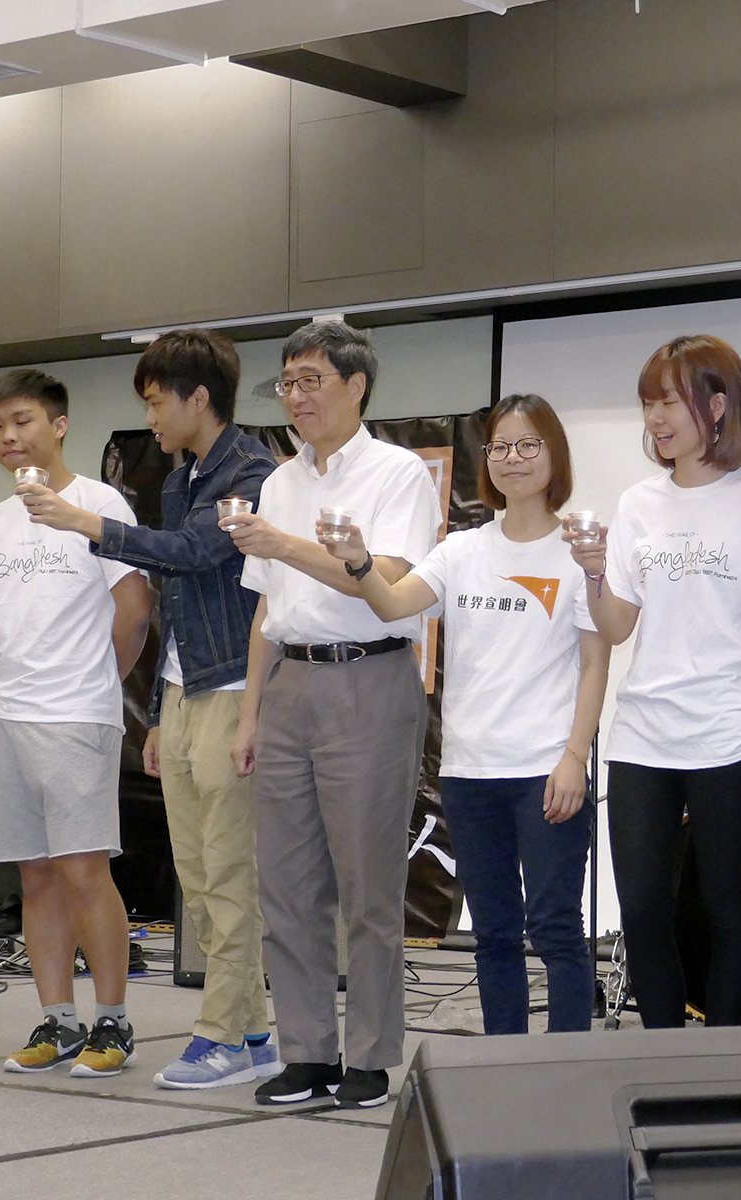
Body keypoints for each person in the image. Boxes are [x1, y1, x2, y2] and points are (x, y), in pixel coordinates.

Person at [22, 330, 280, 1089]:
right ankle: (255, 1033)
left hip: (233, 687)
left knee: (228, 874)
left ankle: (221, 1034)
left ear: (199, 397)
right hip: (186, 687)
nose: (152, 417)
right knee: (198, 879)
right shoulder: (179, 478)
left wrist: (86, 523)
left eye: (158, 401)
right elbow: (176, 600)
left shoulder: (252, 471)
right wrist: (162, 710)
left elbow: (197, 553)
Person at [320, 394, 611, 1035]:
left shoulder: (578, 550)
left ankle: (567, 1066)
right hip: (470, 773)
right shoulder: (461, 550)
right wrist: (360, 560)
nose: (512, 458)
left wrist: (574, 759)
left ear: (555, 456)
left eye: (528, 444)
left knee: (556, 928)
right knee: (495, 933)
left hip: (546, 771)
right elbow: (393, 605)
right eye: (500, 446)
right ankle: (504, 1062)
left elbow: (597, 664)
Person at [0, 369, 152, 1079]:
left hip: (77, 714)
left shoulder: (98, 503)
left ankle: (114, 1020)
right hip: (6, 715)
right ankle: (59, 1020)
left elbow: (135, 607)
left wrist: (101, 679)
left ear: (59, 425)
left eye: (22, 421)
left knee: (84, 869)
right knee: (36, 876)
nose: (9, 437)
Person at [566, 334, 741, 1029]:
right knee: (644, 910)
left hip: (731, 731)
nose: (656, 418)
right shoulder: (639, 503)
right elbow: (616, 626)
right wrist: (593, 571)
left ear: (718, 404)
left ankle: (723, 1054)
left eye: (670, 401)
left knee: (728, 905)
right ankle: (663, 1052)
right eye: (648, 403)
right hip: (643, 733)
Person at [226, 320, 441, 1109]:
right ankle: (307, 1052)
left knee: (367, 885)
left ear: (356, 386)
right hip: (290, 681)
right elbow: (266, 610)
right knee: (287, 884)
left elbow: (388, 582)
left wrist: (285, 544)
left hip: (368, 679)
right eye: (287, 382)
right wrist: (250, 715)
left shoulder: (398, 473)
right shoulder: (281, 482)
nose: (296, 395)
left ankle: (371, 1057)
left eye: (311, 379)